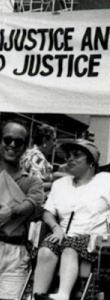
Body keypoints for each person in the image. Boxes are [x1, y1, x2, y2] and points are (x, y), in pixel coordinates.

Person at [33, 139, 110, 300]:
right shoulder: (60, 184)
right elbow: (47, 212)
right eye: (68, 156)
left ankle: (63, 295)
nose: (69, 159)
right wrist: (56, 228)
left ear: (91, 161)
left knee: (70, 247)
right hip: (63, 235)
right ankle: (36, 295)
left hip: (95, 240)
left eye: (76, 155)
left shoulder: (106, 180)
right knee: (46, 249)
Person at [0, 120, 44, 299]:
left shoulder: (33, 181)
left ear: (25, 147)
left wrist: (10, 212)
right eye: (7, 139)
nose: (12, 145)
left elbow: (32, 203)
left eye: (18, 142)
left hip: (16, 254)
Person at [20, 124, 56, 194]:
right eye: (53, 140)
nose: (55, 144)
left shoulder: (29, 152)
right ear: (45, 140)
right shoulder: (38, 157)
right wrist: (55, 185)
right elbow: (36, 185)